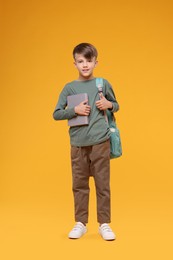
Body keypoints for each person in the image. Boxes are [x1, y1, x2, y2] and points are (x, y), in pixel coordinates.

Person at [53, 43, 119, 241]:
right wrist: (75, 111)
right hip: (78, 144)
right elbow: (56, 113)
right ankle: (80, 223)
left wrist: (109, 104)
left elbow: (116, 105)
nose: (85, 65)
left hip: (101, 142)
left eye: (89, 61)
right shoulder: (69, 88)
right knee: (79, 184)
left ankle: (104, 224)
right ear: (74, 63)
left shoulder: (103, 83)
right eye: (80, 61)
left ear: (95, 62)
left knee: (102, 184)